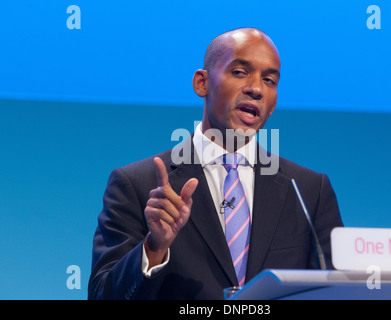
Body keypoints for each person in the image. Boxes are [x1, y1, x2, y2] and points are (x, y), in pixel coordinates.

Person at [88, 27, 343, 300]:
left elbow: (338, 293)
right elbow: (103, 296)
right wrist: (153, 248)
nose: (256, 88)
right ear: (202, 83)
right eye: (240, 72)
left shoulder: (307, 191)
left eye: (269, 80)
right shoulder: (137, 185)